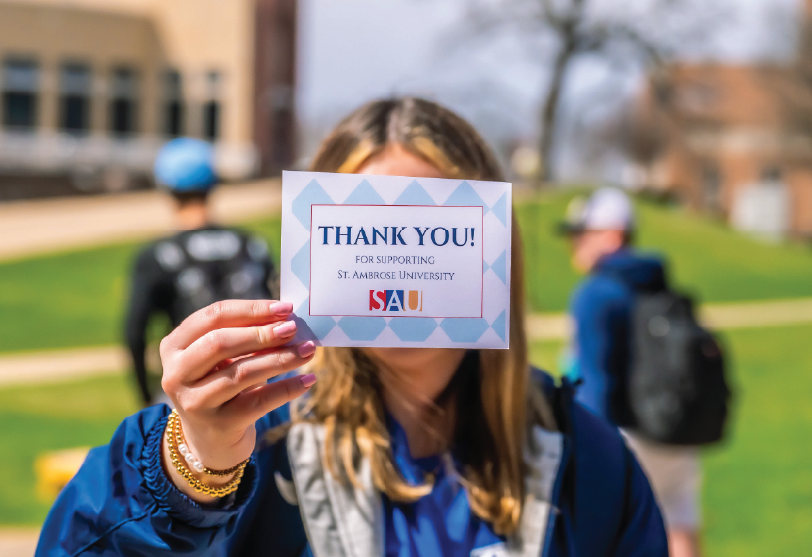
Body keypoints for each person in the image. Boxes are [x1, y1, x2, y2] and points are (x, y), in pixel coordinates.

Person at [38, 98, 668, 556]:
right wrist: (193, 474)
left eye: (430, 231)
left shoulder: (587, 458)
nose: (396, 257)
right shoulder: (242, 429)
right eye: (364, 228)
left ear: (492, 247)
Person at [561, 187, 702, 557]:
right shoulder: (657, 281)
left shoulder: (596, 293)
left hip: (626, 432)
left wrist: (589, 449)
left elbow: (594, 380)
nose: (574, 244)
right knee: (679, 522)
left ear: (611, 235)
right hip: (674, 426)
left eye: (582, 233)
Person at [124, 138, 276, 406]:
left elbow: (135, 333)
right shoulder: (252, 246)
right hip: (261, 388)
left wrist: (147, 398)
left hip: (195, 392)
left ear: (166, 188)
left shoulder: (157, 255)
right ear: (212, 186)